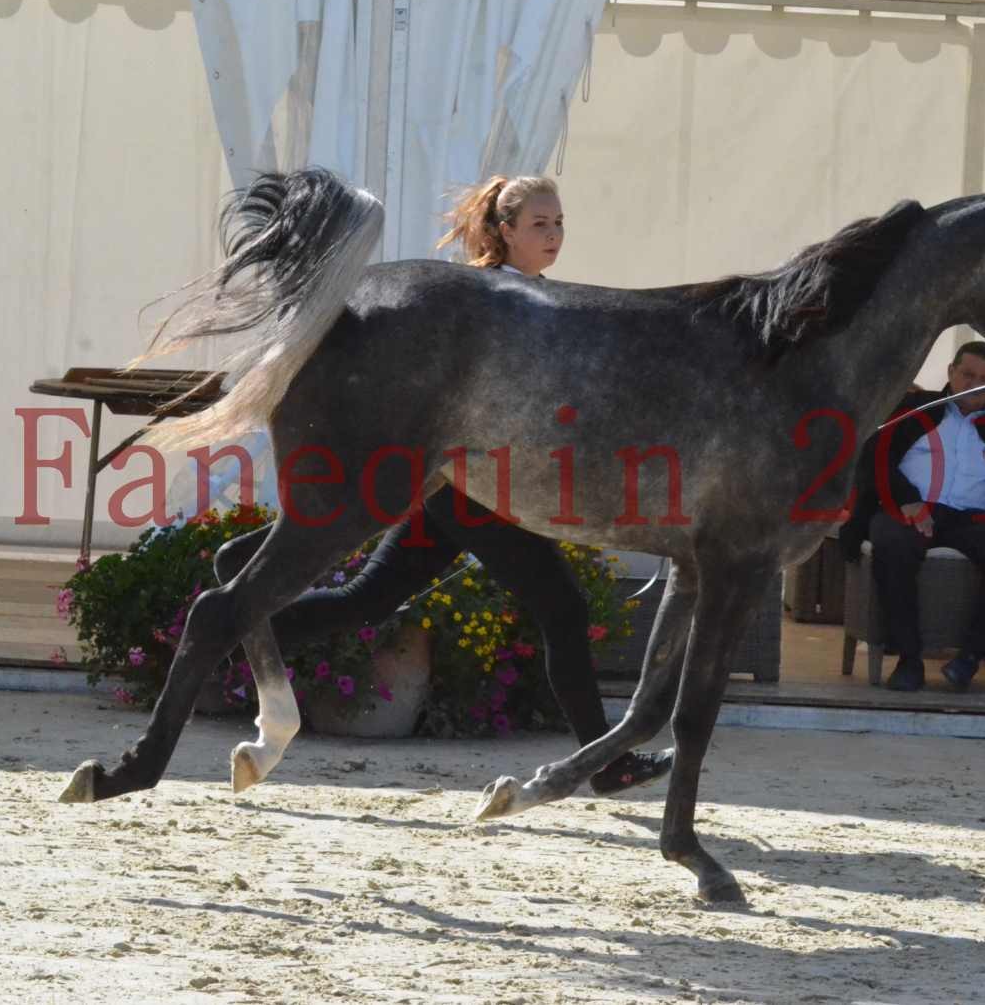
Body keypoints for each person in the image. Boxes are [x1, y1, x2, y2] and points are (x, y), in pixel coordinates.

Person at [239, 175, 667, 795]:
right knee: (563, 610)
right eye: (540, 224)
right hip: (474, 486)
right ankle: (605, 765)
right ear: (505, 232)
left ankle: (242, 627)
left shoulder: (541, 299)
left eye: (559, 223)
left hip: (462, 484)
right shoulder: (493, 298)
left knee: (370, 598)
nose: (554, 235)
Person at [838, 342, 985, 692]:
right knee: (894, 544)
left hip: (970, 519)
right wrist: (909, 500)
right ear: (950, 372)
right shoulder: (913, 409)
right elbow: (872, 459)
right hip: (908, 509)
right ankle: (909, 660)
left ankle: (972, 656)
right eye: (968, 375)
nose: (974, 384)